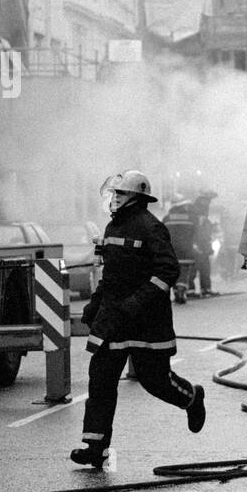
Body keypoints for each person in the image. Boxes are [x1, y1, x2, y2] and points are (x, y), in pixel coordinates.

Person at [73, 170, 205, 468]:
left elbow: (167, 272)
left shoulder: (151, 228)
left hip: (147, 320)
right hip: (113, 320)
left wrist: (136, 303)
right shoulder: (111, 227)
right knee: (101, 381)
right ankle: (95, 448)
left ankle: (191, 399)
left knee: (155, 381)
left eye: (120, 194)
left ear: (136, 197)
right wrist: (95, 305)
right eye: (114, 193)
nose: (114, 198)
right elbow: (110, 275)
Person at [161, 193, 197, 304]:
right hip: (186, 249)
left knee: (173, 271)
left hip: (171, 250)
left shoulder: (167, 218)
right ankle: (181, 290)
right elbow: (196, 233)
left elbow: (162, 234)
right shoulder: (191, 218)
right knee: (184, 271)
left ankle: (176, 290)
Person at [191, 192, 218, 297]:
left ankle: (202, 289)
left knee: (203, 267)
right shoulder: (198, 212)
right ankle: (203, 289)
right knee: (199, 267)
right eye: (207, 200)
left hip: (201, 243)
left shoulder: (199, 210)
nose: (209, 203)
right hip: (199, 244)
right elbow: (199, 229)